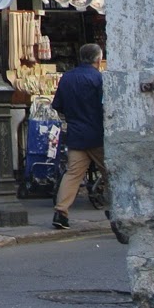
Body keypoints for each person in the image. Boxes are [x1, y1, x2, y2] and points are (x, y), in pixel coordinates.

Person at [51, 43, 106, 230]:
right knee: (112, 173)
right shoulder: (98, 78)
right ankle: (118, 209)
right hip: (97, 134)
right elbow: (105, 106)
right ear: (98, 59)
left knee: (73, 174)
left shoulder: (67, 77)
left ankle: (61, 212)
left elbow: (57, 105)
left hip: (76, 134)